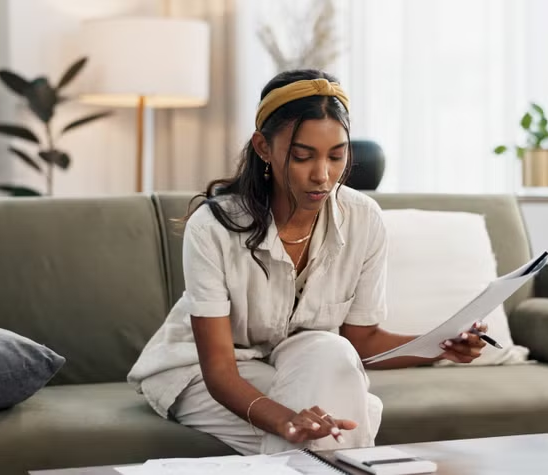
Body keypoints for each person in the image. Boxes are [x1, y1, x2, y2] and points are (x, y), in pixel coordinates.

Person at [127, 69, 487, 455]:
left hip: (298, 363)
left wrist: (439, 347)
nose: (323, 175)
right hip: (201, 374)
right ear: (264, 148)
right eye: (302, 157)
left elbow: (359, 341)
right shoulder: (213, 227)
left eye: (337, 156)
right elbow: (220, 371)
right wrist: (287, 421)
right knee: (348, 418)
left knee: (332, 352)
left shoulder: (362, 218)